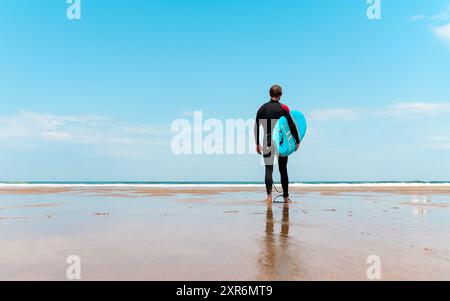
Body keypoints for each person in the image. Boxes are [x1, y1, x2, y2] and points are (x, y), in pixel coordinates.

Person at [254, 85, 300, 203]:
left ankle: (269, 197)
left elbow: (256, 126)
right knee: (283, 169)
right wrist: (297, 140)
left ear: (270, 94)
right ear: (280, 95)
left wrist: (257, 143)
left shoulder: (261, 108)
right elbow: (291, 124)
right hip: (281, 142)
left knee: (268, 170)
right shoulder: (283, 108)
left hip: (267, 142)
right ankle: (285, 197)